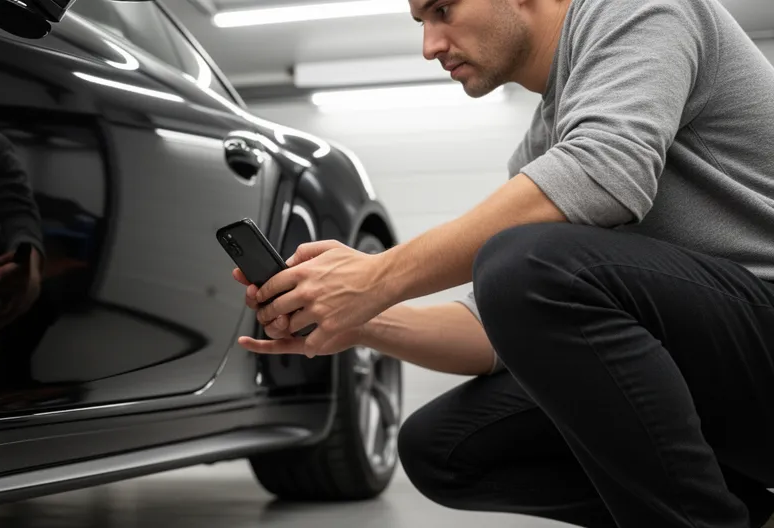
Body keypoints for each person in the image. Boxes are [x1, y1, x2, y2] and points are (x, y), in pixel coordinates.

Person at [232, 0, 774, 526]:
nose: (429, 46)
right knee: (442, 448)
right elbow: (492, 332)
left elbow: (606, 173)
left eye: (442, 10)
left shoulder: (639, 9)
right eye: (421, 22)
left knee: (523, 261)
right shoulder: (543, 146)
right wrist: (359, 319)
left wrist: (375, 277)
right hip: (723, 372)